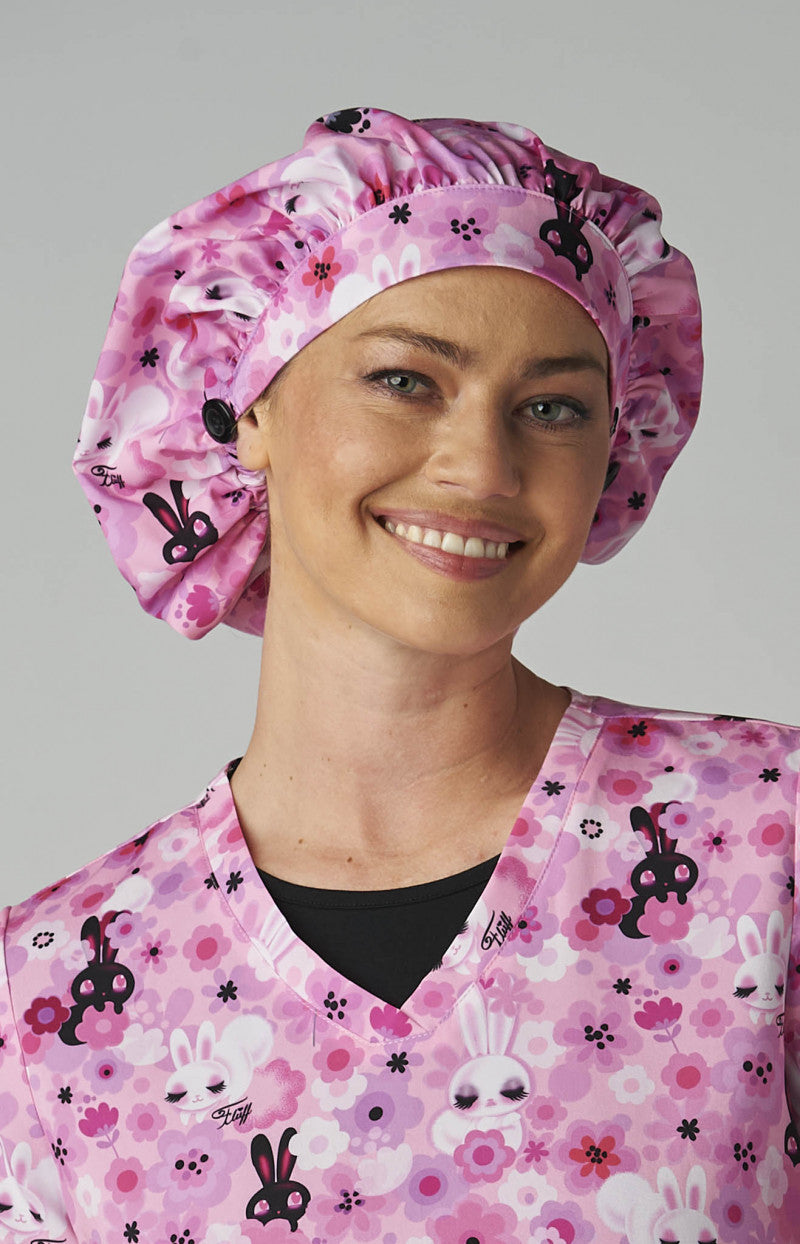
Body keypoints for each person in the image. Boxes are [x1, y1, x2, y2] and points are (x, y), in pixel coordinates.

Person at [0, 106, 797, 1243]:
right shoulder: (48, 1000)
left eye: (553, 407)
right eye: (406, 381)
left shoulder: (767, 845)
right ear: (246, 404)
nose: (480, 466)